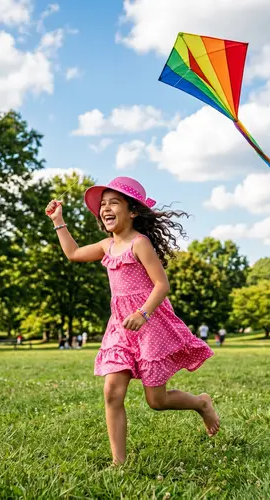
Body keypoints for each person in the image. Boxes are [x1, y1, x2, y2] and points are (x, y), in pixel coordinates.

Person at [45, 176, 219, 465]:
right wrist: (58, 220)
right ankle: (119, 463)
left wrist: (143, 313)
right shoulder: (105, 246)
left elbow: (161, 285)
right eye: (103, 204)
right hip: (120, 327)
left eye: (114, 202)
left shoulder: (140, 244)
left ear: (133, 211)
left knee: (157, 401)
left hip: (149, 325)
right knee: (112, 391)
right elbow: (73, 253)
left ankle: (201, 403)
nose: (106, 208)